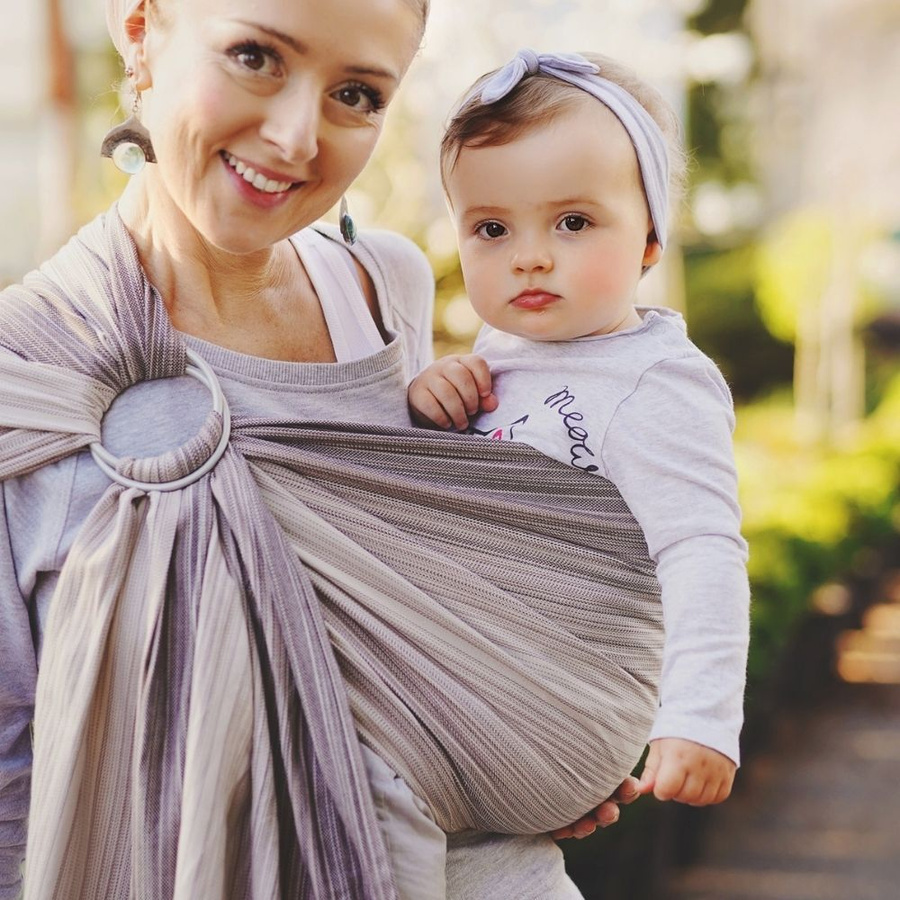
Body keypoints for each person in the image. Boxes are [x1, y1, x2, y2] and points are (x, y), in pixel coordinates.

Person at [0, 6, 637, 900]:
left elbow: (435, 609)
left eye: (356, 94)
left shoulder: (383, 286)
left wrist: (528, 728)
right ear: (140, 27)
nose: (299, 138)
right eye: (255, 57)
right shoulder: (29, 383)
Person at [409, 49, 751, 812]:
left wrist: (699, 716)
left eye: (573, 222)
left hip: (551, 699)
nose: (529, 258)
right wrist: (429, 399)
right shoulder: (498, 358)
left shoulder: (655, 379)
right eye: (491, 228)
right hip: (468, 680)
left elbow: (701, 549)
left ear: (651, 242)